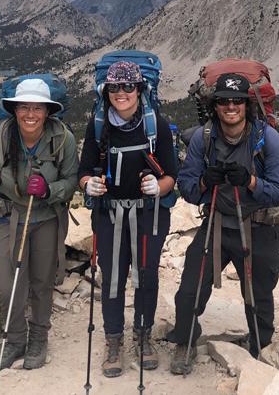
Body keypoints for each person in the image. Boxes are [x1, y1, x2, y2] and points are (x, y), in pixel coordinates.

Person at [169, 73, 279, 374]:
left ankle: (260, 344)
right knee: (190, 289)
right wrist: (202, 182)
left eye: (237, 100)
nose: (231, 106)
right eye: (224, 101)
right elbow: (185, 187)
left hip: (260, 227)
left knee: (258, 294)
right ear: (215, 106)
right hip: (218, 223)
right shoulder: (204, 137)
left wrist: (250, 181)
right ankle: (185, 340)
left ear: (247, 105)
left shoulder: (266, 137)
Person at [0, 78, 78, 370]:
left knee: (41, 281)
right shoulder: (0, 136)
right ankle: (15, 339)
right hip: (9, 217)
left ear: (48, 111)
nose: (30, 114)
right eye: (24, 107)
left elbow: (72, 181)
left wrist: (50, 190)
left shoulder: (63, 138)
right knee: (8, 282)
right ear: (14, 109)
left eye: (38, 107)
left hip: (46, 217)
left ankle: (38, 338)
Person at [78, 60, 178, 377]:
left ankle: (144, 336)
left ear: (139, 90)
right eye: (115, 88)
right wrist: (88, 184)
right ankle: (113, 341)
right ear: (106, 91)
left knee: (146, 277)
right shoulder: (96, 126)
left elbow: (172, 175)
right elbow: (83, 171)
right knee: (113, 278)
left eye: (128, 87)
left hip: (149, 214)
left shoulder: (156, 126)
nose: (121, 93)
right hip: (109, 214)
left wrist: (158, 186)